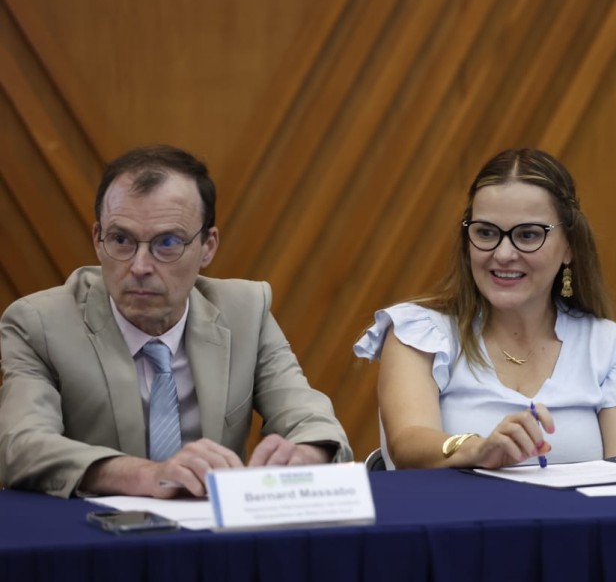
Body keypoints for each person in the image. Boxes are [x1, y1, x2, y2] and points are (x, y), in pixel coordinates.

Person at [0, 145, 352, 498]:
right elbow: (21, 445)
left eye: (167, 242)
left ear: (208, 247)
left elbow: (311, 420)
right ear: (97, 239)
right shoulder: (39, 325)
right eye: (121, 240)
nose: (139, 267)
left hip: (214, 536)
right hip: (95, 536)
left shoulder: (244, 312)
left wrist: (305, 454)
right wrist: (146, 476)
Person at [354, 148, 616, 469]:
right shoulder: (419, 334)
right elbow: (407, 444)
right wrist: (479, 448)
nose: (503, 254)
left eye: (527, 235)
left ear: (569, 246)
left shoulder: (611, 352)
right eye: (486, 233)